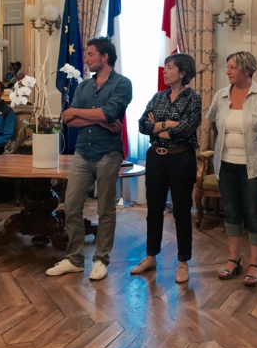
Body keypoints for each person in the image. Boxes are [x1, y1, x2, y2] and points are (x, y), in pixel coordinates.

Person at [46, 36, 132, 281]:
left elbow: (111, 111)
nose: (86, 59)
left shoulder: (122, 83)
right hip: (83, 151)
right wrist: (102, 121)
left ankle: (100, 260)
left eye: (91, 54)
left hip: (108, 152)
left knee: (106, 209)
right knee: (71, 206)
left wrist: (82, 113)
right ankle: (74, 259)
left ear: (105, 57)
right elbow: (68, 120)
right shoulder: (83, 86)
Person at [206, 52, 257, 286]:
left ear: (247, 71)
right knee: (231, 212)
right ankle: (233, 259)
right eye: (227, 67)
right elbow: (214, 126)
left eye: (232, 68)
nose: (227, 71)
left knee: (253, 212)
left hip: (256, 166)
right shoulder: (220, 96)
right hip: (226, 164)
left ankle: (255, 264)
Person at [131, 53, 201, 283]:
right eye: (165, 67)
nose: (165, 71)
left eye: (170, 68)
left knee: (181, 211)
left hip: (181, 158)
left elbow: (187, 128)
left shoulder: (193, 98)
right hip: (156, 158)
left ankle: (182, 262)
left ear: (182, 72)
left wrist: (158, 127)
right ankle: (151, 256)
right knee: (154, 209)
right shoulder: (158, 97)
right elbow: (142, 124)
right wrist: (168, 124)